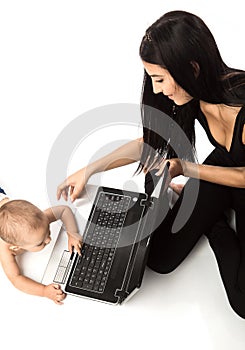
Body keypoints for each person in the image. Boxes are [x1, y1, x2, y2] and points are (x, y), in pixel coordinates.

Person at [56, 11, 245, 318]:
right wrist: (89, 169)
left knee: (242, 303)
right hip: (220, 171)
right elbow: (151, 141)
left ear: (192, 68)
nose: (157, 90)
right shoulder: (191, 95)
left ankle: (214, 219)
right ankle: (216, 221)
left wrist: (187, 170)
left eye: (160, 79)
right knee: (158, 259)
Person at [0, 187, 82, 304]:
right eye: (40, 243)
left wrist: (72, 233)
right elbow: (16, 279)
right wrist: (44, 291)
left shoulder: (38, 223)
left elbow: (64, 210)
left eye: (48, 231)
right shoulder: (5, 250)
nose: (49, 240)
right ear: (15, 247)